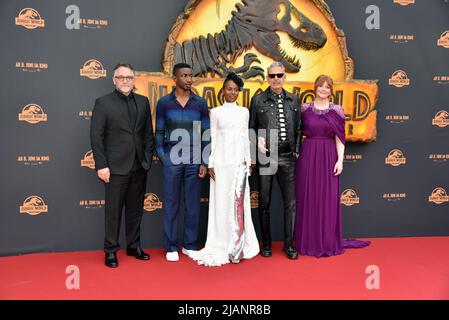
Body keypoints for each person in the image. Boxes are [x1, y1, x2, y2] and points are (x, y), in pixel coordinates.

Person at [294, 75, 370, 257]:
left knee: (327, 198)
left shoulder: (337, 110)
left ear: (331, 90)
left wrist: (340, 160)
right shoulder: (304, 109)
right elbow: (297, 132)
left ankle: (327, 240)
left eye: (327, 87)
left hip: (329, 156)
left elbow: (340, 138)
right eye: (320, 86)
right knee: (308, 197)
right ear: (315, 87)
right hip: (308, 155)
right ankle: (308, 241)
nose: (323, 89)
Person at [90, 63, 154, 268]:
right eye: (121, 77)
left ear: (134, 80)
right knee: (113, 212)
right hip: (115, 167)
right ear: (114, 80)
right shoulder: (103, 103)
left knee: (135, 210)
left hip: (138, 165)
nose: (125, 80)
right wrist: (102, 165)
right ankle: (110, 251)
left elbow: (147, 134)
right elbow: (96, 137)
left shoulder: (143, 102)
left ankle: (134, 246)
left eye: (129, 77)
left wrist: (147, 158)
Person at [192, 73, 259, 266]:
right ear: (223, 91)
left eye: (235, 89)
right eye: (229, 89)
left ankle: (237, 246)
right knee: (221, 203)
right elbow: (211, 138)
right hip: (220, 165)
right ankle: (221, 243)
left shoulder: (244, 112)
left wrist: (249, 161)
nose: (232, 92)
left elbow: (246, 138)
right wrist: (211, 163)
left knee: (239, 205)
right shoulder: (215, 113)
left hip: (239, 165)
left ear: (239, 92)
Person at [155, 63, 209, 262]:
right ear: (175, 78)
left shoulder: (200, 103)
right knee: (171, 203)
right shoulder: (164, 103)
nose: (189, 79)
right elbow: (159, 132)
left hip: (195, 159)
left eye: (190, 75)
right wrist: (163, 156)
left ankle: (189, 244)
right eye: (184, 75)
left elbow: (206, 134)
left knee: (193, 204)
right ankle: (170, 246)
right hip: (172, 159)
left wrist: (204, 161)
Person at [249, 61, 301, 260]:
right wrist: (257, 143)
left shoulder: (293, 100)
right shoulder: (258, 100)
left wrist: (296, 150)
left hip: (287, 156)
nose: (276, 79)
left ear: (284, 77)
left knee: (290, 203)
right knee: (264, 202)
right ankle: (267, 244)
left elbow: (298, 128)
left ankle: (289, 245)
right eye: (272, 76)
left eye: (279, 75)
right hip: (266, 155)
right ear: (267, 78)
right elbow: (251, 127)